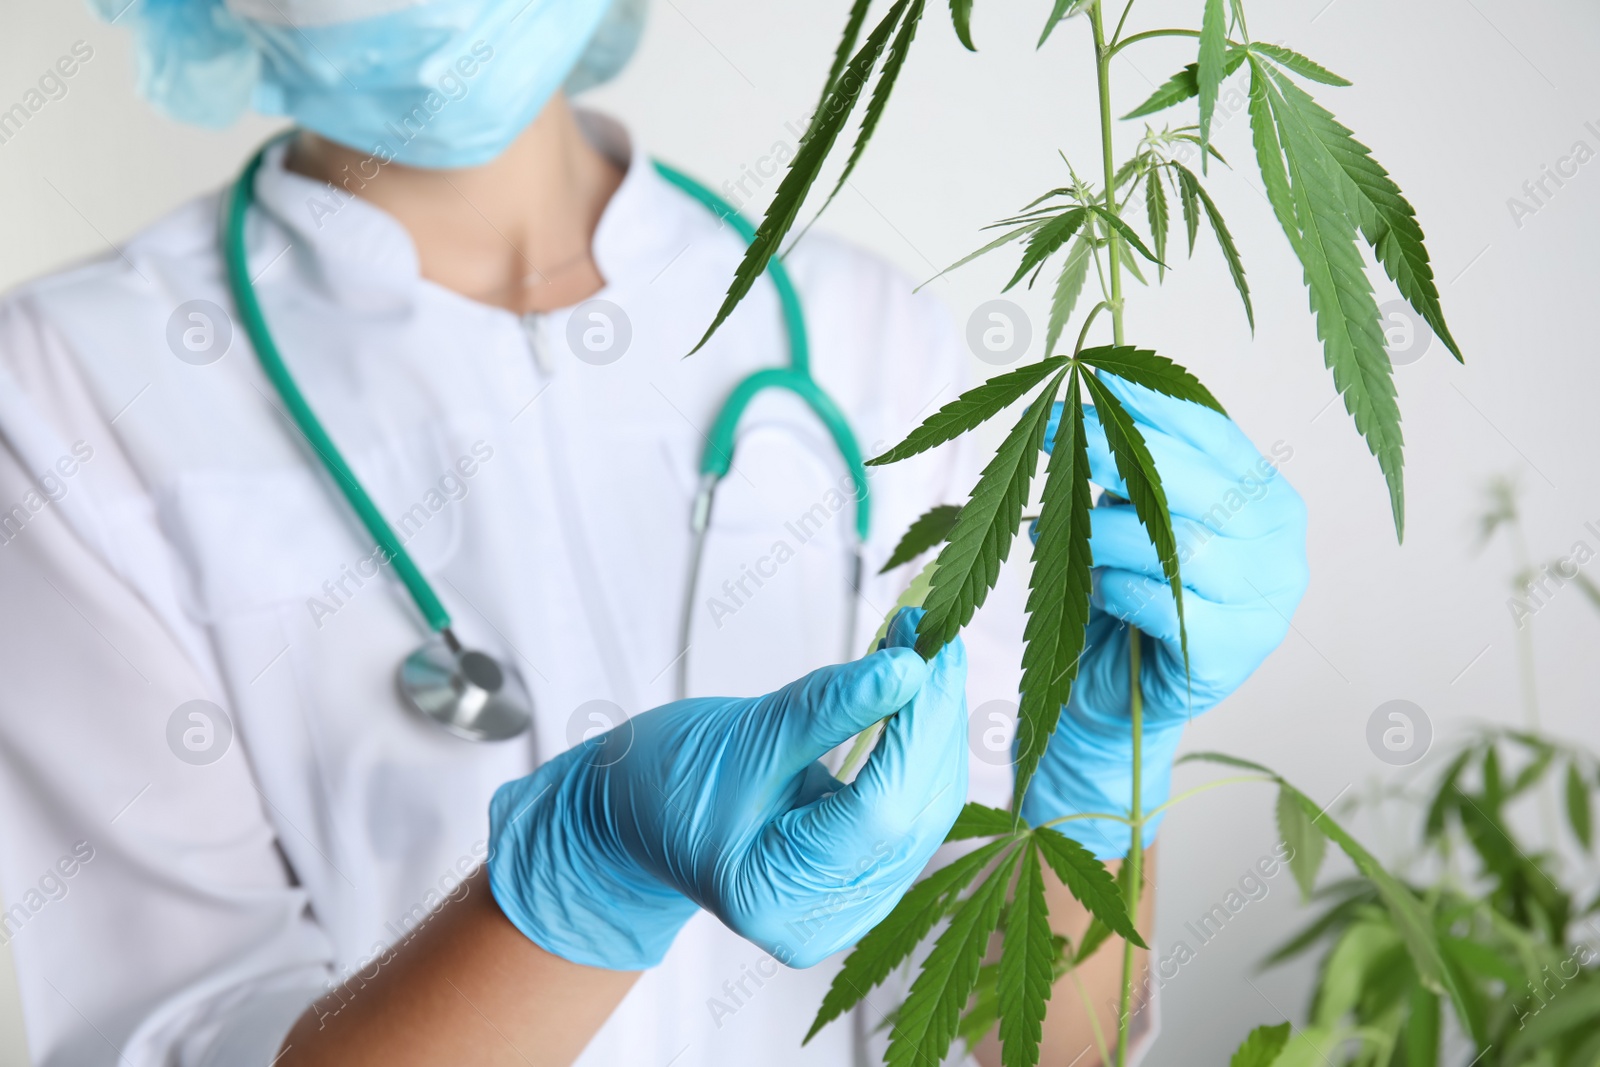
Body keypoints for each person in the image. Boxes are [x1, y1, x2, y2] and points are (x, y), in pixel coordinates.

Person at [0, 1, 1309, 1065]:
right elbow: (170, 1036)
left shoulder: (866, 333)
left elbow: (1026, 1041)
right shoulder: (70, 386)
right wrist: (577, 890)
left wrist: (1097, 776)